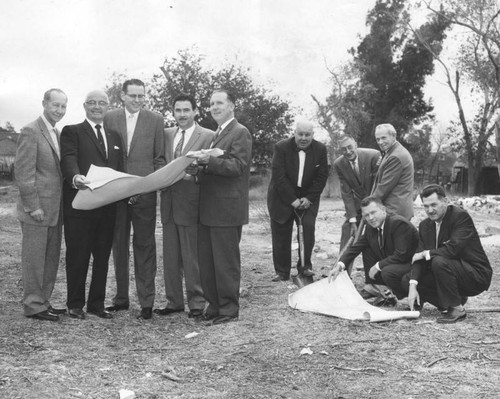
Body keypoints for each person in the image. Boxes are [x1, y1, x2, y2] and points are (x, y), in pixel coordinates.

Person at [185, 89, 252, 325]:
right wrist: (200, 168)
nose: (214, 107)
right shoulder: (217, 134)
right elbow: (217, 168)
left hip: (226, 211)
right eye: (212, 103)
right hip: (209, 209)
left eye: (220, 103)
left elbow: (237, 166)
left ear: (232, 106)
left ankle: (228, 309)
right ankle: (214, 306)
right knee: (208, 261)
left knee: (225, 263)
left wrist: (209, 161)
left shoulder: (240, 132)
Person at [103, 79, 165, 320]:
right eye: (133, 96)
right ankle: (121, 299)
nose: (138, 100)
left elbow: (159, 159)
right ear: (123, 95)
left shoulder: (156, 120)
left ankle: (146, 302)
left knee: (145, 246)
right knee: (118, 246)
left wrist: (146, 186)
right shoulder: (110, 118)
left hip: (145, 196)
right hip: (116, 194)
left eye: (141, 96)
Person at [60, 90, 124, 320]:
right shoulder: (72, 131)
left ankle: (96, 304)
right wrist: (75, 177)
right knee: (78, 256)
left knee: (102, 257)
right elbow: (68, 159)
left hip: (107, 208)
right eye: (92, 103)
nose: (97, 107)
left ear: (108, 107)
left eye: (102, 103)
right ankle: (75, 304)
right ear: (85, 106)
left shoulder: (115, 136)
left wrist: (129, 191)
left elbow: (120, 170)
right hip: (80, 205)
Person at [154, 94, 214, 318]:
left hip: (191, 203)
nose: (182, 115)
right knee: (170, 257)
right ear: (173, 112)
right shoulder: (166, 133)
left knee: (192, 257)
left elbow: (212, 170)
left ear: (195, 111)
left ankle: (197, 303)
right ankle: (174, 302)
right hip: (168, 203)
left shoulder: (208, 135)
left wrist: (196, 174)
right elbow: (159, 160)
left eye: (186, 110)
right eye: (178, 110)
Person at [14, 88, 68, 321]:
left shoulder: (56, 132)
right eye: (55, 105)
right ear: (44, 103)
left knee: (50, 258)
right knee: (35, 259)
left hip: (55, 210)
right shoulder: (31, 131)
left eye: (63, 106)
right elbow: (23, 172)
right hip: (38, 210)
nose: (59, 110)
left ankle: (43, 301)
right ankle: (33, 305)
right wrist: (32, 205)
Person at [403, 184, 491, 323]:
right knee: (408, 279)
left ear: (445, 201)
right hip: (449, 272)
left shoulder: (460, 216)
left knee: (439, 261)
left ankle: (457, 309)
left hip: (475, 274)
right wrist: (412, 285)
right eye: (426, 206)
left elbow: (452, 249)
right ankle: (450, 301)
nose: (430, 210)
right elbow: (418, 258)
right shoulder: (425, 225)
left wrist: (426, 253)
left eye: (434, 204)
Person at [267, 119, 329, 282]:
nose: (303, 138)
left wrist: (309, 198)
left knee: (307, 230)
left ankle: (305, 267)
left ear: (312, 135)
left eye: (307, 135)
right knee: (281, 233)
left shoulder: (320, 149)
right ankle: (282, 271)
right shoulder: (281, 147)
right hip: (282, 196)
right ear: (294, 133)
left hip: (308, 196)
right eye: (300, 134)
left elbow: (322, 176)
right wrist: (292, 199)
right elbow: (278, 176)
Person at [329, 196, 418, 306]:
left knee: (387, 271)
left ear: (383, 209)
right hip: (395, 262)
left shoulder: (398, 223)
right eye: (366, 215)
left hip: (411, 265)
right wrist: (340, 265)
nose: (370, 218)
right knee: (367, 247)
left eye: (373, 212)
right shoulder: (371, 226)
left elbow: (402, 254)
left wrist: (378, 266)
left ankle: (400, 294)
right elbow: (356, 247)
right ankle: (379, 288)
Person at [333, 135, 380, 278]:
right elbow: (346, 192)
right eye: (343, 149)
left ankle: (375, 278)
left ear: (356, 144)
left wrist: (371, 211)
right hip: (358, 205)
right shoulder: (339, 164)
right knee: (347, 228)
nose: (347, 151)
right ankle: (342, 274)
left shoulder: (373, 155)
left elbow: (379, 185)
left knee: (374, 235)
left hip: (376, 203)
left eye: (350, 147)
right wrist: (353, 219)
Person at [372, 123, 414, 220]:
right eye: (378, 139)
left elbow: (383, 188)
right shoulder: (393, 152)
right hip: (395, 210)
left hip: (395, 212)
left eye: (383, 138)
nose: (380, 142)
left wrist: (369, 205)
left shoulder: (396, 156)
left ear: (394, 136)